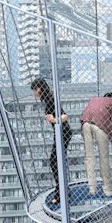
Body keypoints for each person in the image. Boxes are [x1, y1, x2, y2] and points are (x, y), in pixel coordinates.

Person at [31, 77, 72, 205]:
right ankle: (63, 191)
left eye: (35, 90)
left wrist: (54, 120)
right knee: (56, 162)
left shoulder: (49, 100)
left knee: (55, 162)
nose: (34, 93)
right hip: (60, 133)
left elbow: (65, 116)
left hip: (63, 133)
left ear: (40, 89)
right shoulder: (48, 99)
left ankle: (61, 193)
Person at [80, 92, 112, 196]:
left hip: (85, 124)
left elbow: (84, 115)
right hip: (99, 127)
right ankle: (108, 189)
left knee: (89, 157)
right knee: (104, 158)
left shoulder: (94, 99)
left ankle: (92, 188)